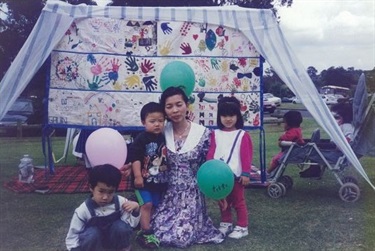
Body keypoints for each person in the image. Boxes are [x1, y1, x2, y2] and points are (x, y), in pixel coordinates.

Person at [151, 86, 224, 248]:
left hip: (192, 194)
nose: (175, 110)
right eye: (169, 107)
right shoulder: (161, 132)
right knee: (156, 229)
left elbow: (210, 166)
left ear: (187, 105)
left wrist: (218, 193)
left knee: (180, 236)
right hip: (169, 193)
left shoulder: (202, 133)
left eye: (179, 104)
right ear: (164, 110)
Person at [206, 96, 252, 239]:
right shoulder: (215, 134)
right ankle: (226, 223)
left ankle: (242, 226)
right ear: (219, 117)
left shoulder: (242, 135)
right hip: (219, 175)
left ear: (237, 116)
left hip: (236, 175)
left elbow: (246, 155)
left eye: (232, 115)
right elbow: (211, 152)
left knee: (238, 201)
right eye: (224, 115)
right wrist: (209, 169)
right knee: (222, 200)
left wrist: (246, 173)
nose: (228, 119)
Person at [65, 164, 140, 251]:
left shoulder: (121, 202)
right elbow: (73, 234)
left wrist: (136, 208)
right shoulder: (83, 210)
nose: (105, 197)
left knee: (121, 227)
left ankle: (123, 247)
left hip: (113, 239)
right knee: (92, 233)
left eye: (110, 192)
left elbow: (130, 225)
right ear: (91, 188)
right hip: (95, 241)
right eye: (101, 191)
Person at [128, 102, 168, 249]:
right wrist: (138, 176)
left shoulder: (164, 138)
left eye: (160, 120)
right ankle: (145, 234)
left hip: (159, 182)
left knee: (155, 206)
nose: (157, 124)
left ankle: (143, 224)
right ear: (143, 122)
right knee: (147, 205)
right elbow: (135, 158)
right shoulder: (141, 139)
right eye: (152, 121)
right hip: (143, 182)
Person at [300, 103, 354, 177]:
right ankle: (314, 168)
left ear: (345, 117)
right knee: (315, 147)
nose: (333, 120)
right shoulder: (340, 127)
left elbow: (349, 137)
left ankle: (314, 170)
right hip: (335, 152)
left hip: (337, 155)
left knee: (312, 153)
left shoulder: (347, 126)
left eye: (336, 117)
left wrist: (342, 145)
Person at [267, 110, 304, 175]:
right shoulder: (297, 129)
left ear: (289, 124)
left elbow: (285, 138)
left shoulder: (293, 132)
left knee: (276, 159)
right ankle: (271, 172)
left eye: (285, 123)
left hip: (292, 152)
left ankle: (268, 172)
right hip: (294, 151)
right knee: (277, 158)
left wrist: (281, 139)